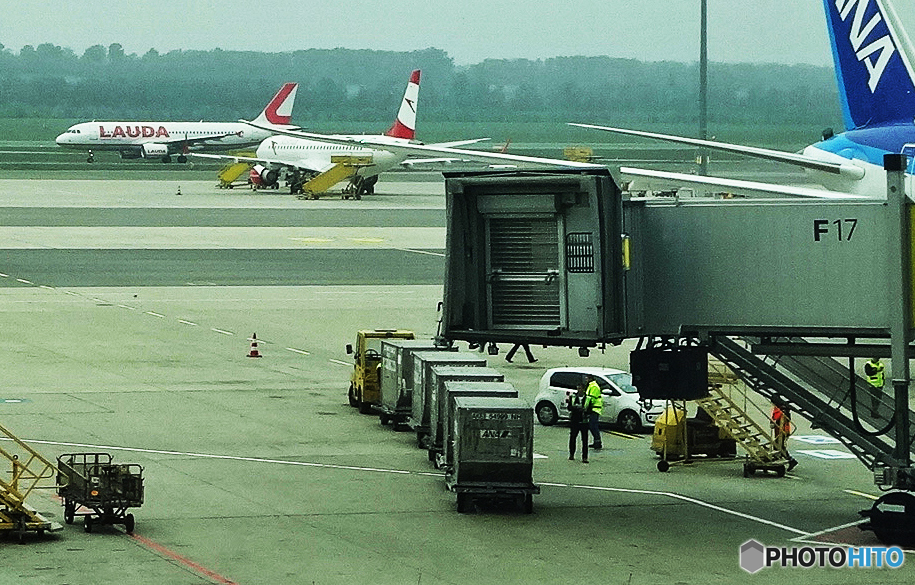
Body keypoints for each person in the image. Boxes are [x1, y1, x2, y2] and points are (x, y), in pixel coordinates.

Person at [771, 400, 798, 471]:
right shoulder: (785, 410)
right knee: (779, 446)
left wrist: (772, 421)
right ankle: (786, 459)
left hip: (782, 431)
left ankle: (790, 460)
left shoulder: (780, 410)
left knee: (779, 446)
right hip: (784, 430)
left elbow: (775, 417)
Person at [567, 384, 589, 463]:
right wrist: (575, 407)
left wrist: (584, 410)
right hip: (575, 420)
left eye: (580, 388)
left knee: (585, 440)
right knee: (573, 438)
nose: (579, 390)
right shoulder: (572, 397)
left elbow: (590, 409)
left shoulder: (588, 398)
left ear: (583, 389)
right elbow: (569, 407)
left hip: (584, 421)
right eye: (578, 388)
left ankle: (585, 457)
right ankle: (571, 454)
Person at [584, 375, 603, 449]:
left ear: (590, 379)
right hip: (593, 408)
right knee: (593, 426)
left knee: (593, 426)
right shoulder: (591, 385)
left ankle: (598, 442)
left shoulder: (594, 386)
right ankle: (596, 441)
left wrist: (586, 407)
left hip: (595, 408)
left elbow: (592, 398)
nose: (586, 379)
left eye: (587, 378)